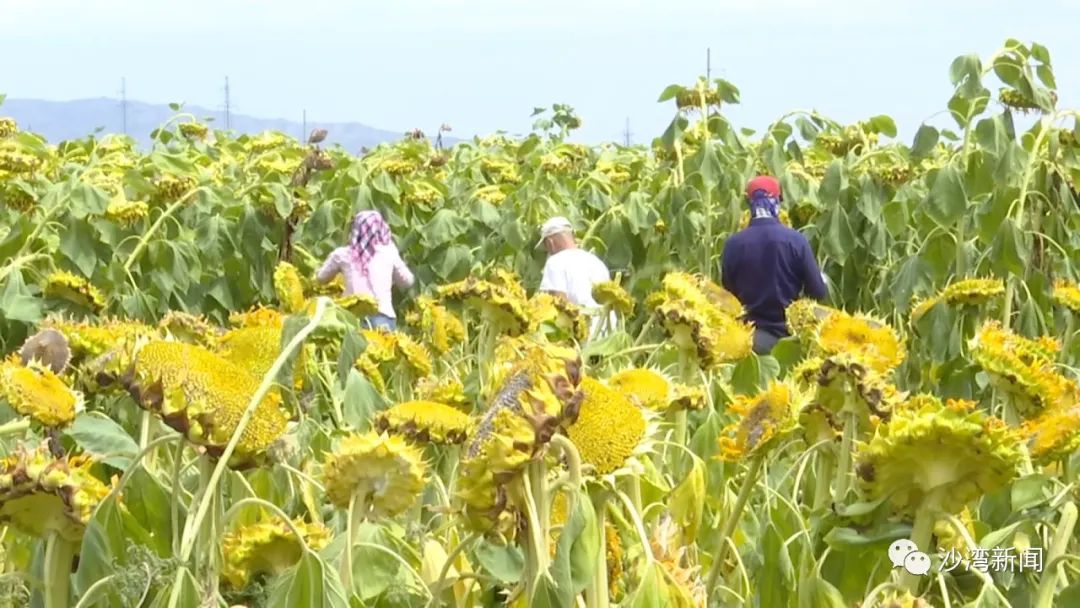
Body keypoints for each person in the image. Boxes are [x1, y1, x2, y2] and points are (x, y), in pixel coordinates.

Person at [720, 176, 829, 355]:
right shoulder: (796, 241)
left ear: (749, 203)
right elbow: (818, 292)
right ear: (777, 202)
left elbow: (728, 296)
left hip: (749, 341)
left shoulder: (733, 244)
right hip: (790, 340)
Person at [316, 209, 414, 331]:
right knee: (382, 349)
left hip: (350, 316)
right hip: (383, 317)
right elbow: (407, 281)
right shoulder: (389, 252)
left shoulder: (342, 255)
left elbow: (321, 278)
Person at [536, 216, 615, 338]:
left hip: (582, 338)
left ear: (550, 243)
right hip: (608, 335)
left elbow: (558, 302)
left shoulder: (555, 262)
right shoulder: (597, 262)